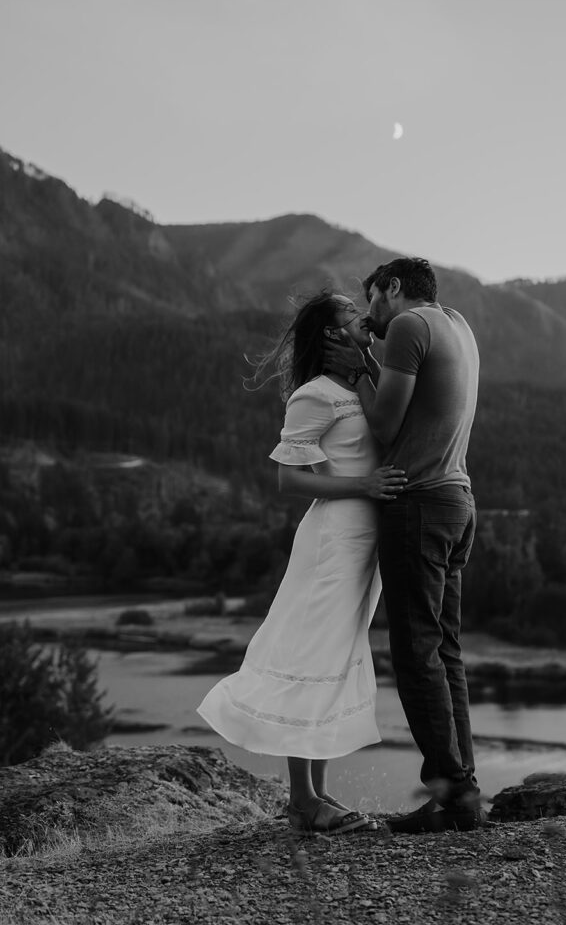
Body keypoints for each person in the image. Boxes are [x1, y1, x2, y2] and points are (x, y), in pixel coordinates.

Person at [196, 290, 407, 836]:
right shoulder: (314, 395)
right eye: (349, 317)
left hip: (364, 545)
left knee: (333, 661)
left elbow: (396, 418)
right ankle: (302, 801)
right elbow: (289, 478)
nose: (363, 319)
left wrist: (366, 364)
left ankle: (314, 797)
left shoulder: (361, 384)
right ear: (330, 335)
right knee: (312, 657)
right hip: (331, 542)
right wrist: (362, 484)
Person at [324, 257, 481, 833]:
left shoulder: (412, 326)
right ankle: (462, 787)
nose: (371, 316)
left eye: (373, 302)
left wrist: (357, 368)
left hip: (416, 504)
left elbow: (387, 427)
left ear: (392, 288)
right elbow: (416, 408)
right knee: (446, 652)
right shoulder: (457, 325)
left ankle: (454, 798)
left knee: (416, 656)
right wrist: (372, 352)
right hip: (457, 499)